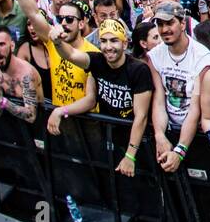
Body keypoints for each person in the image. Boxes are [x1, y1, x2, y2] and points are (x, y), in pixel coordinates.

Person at [48, 18, 154, 175]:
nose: (108, 47)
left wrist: (130, 156)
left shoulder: (138, 70)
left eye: (114, 41)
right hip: (108, 137)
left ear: (124, 44)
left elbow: (141, 116)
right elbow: (70, 54)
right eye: (104, 41)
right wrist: (57, 42)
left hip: (136, 143)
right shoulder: (97, 61)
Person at [147, 1, 210, 172]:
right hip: (169, 127)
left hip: (197, 133)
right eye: (160, 24)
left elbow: (196, 108)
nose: (164, 30)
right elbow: (159, 100)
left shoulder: (202, 58)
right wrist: (160, 135)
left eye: (170, 23)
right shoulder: (155, 56)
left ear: (183, 23)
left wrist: (180, 149)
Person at [0, 27, 42, 123]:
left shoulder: (27, 74)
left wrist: (2, 102)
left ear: (12, 46)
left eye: (2, 44)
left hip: (38, 128)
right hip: (12, 127)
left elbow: (31, 116)